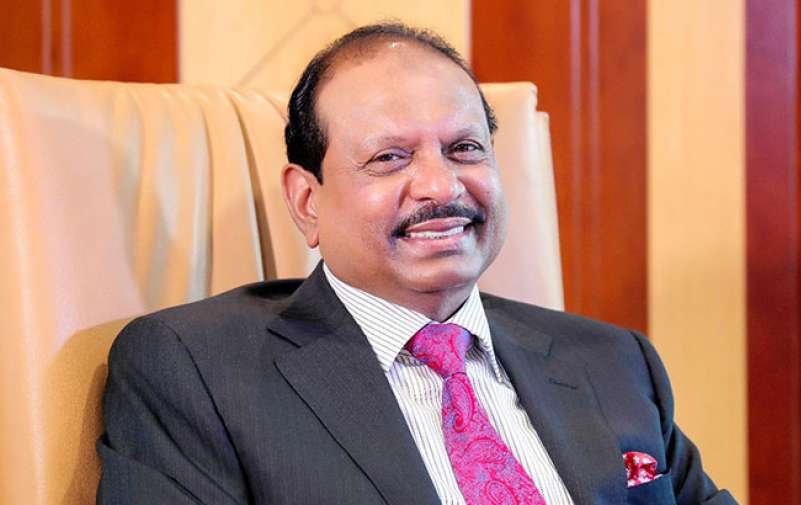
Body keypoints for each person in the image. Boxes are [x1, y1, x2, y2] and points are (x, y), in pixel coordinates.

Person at [97, 23, 738, 505]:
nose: (441, 185)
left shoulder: (614, 362)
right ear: (307, 201)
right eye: (390, 158)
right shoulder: (195, 371)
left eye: (465, 148)